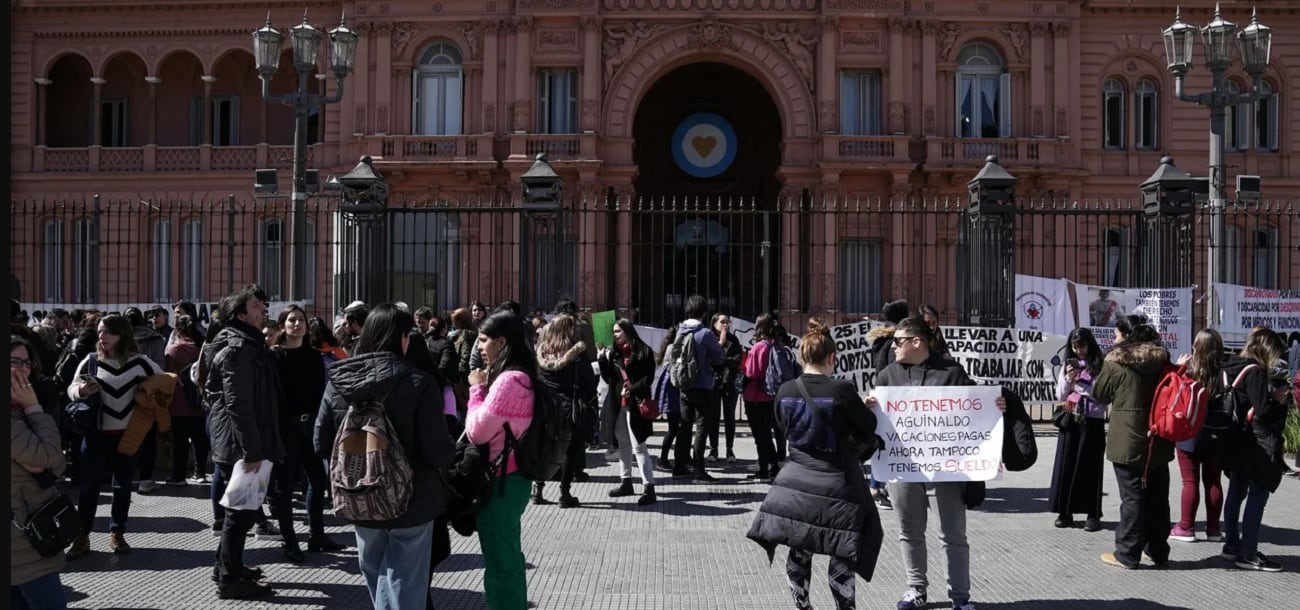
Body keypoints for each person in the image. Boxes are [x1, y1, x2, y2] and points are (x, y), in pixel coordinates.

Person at [314, 303, 454, 609]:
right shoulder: (418, 382)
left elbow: (320, 442)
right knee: (405, 580)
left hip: (359, 494)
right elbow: (435, 450)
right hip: (413, 499)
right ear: (402, 338)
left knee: (376, 574)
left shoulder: (339, 382)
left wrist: (358, 463)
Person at [868, 315, 1004, 610]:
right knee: (909, 530)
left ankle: (960, 597)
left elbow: (974, 409)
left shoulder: (952, 373)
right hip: (902, 467)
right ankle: (915, 589)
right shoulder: (886, 377)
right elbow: (875, 425)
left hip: (948, 467)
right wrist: (869, 409)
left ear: (917, 342)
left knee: (953, 533)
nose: (893, 347)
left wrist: (996, 406)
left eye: (898, 341)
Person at [747, 318, 883, 610]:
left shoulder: (784, 391)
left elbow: (784, 429)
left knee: (800, 549)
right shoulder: (842, 390)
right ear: (832, 357)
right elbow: (868, 427)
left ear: (802, 356)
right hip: (839, 485)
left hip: (796, 481)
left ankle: (802, 606)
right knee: (842, 554)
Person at [205, 285, 285, 599]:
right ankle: (229, 578)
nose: (263, 308)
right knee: (241, 512)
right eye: (255, 305)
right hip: (241, 445)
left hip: (245, 441)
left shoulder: (248, 344)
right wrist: (252, 450)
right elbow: (239, 404)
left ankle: (226, 565)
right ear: (240, 314)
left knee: (244, 510)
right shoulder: (238, 348)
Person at [65, 314, 162, 558]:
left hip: (128, 436)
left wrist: (149, 401)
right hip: (96, 435)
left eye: (108, 332)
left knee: (122, 487)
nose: (102, 336)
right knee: (88, 490)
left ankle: (117, 533)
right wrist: (81, 390)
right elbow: (70, 388)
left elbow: (165, 382)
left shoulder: (140, 362)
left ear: (122, 335)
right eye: (99, 332)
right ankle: (82, 536)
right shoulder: (90, 361)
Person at [466, 311, 536, 609]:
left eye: (483, 340)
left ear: (502, 341)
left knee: (500, 564)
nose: (479, 347)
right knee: (508, 557)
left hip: (500, 482)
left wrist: (476, 389)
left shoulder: (510, 381)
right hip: (513, 478)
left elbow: (477, 432)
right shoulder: (522, 375)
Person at [1092, 322, 1172, 570]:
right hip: (1158, 436)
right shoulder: (1162, 363)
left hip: (1127, 439)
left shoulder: (1115, 362)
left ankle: (1127, 553)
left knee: (1132, 497)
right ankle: (1157, 550)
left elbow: (1100, 394)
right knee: (1158, 496)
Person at [273, 305, 346, 557]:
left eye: (301, 320)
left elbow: (321, 394)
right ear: (283, 325)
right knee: (284, 485)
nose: (297, 324)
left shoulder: (314, 356)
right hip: (285, 427)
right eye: (291, 320)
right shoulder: (275, 356)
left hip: (310, 425)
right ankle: (290, 541)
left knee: (317, 479)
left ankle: (317, 535)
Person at [1218, 327, 1288, 572]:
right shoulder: (1256, 372)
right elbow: (1262, 411)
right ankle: (1248, 552)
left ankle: (1231, 545)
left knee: (1236, 492)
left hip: (1234, 439)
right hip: (1254, 444)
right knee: (1257, 496)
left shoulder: (1232, 365)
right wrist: (1277, 402)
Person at [11, 335, 70, 610]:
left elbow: (52, 463)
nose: (23, 369)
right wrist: (34, 407)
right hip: (22, 540)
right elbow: (49, 458)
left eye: (26, 363)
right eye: (13, 362)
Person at [535, 314, 599, 507]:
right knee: (572, 448)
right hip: (569, 406)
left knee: (545, 447)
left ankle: (537, 489)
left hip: (546, 407)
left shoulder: (542, 352)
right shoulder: (577, 352)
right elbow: (588, 379)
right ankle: (564, 492)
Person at [1169, 328, 1227, 543]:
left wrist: (1178, 367)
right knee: (1213, 481)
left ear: (1198, 348)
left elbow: (1172, 394)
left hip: (1190, 432)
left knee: (1190, 481)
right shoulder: (1223, 372)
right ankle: (1213, 529)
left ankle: (1186, 527)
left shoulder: (1189, 371)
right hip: (1216, 432)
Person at [1048, 328, 1108, 532]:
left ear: (1089, 344)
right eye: (1074, 346)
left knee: (1091, 467)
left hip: (1093, 419)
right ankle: (1065, 512)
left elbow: (1101, 393)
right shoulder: (1068, 365)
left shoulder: (1100, 364)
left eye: (1082, 345)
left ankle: (1093, 514)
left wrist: (1080, 386)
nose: (1078, 350)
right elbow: (1060, 394)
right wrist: (1068, 379)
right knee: (1066, 465)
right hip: (1070, 418)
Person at [597, 319, 659, 505]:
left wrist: (631, 390)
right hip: (618, 404)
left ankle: (649, 487)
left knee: (638, 445)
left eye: (617, 331)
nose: (614, 335)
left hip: (635, 403)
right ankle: (626, 482)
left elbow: (647, 379)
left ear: (627, 331)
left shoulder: (643, 352)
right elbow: (609, 379)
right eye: (613, 332)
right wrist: (601, 360)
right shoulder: (614, 353)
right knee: (623, 444)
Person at [672, 294, 725, 481]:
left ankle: (679, 465)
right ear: (704, 312)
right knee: (702, 426)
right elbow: (719, 358)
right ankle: (698, 469)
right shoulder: (706, 334)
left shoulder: (680, 331)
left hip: (684, 384)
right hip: (702, 384)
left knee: (684, 425)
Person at [163, 315, 210, 486]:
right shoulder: (202, 349)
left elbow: (166, 376)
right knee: (200, 441)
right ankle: (200, 473)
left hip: (179, 404)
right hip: (199, 402)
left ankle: (178, 476)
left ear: (178, 330)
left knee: (180, 442)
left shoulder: (173, 351)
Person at [740, 313, 783, 481]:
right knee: (767, 433)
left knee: (760, 436)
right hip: (771, 396)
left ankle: (764, 469)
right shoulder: (777, 345)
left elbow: (752, 372)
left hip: (755, 396)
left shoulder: (758, 347)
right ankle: (773, 467)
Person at [707, 312, 743, 463]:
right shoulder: (710, 340)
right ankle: (713, 450)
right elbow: (710, 360)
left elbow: (737, 360)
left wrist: (723, 360)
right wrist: (720, 344)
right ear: (714, 324)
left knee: (730, 418)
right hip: (714, 383)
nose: (725, 325)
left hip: (729, 382)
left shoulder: (734, 340)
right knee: (713, 417)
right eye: (722, 322)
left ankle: (729, 449)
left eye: (727, 322)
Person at [655, 326, 682, 472]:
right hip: (673, 394)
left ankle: (670, 458)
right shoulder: (673, 348)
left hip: (671, 393)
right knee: (673, 429)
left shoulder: (669, 347)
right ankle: (663, 458)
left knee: (675, 428)